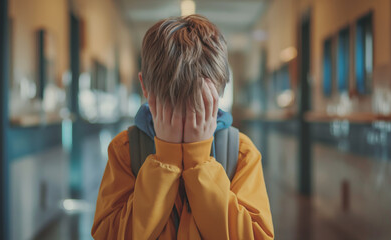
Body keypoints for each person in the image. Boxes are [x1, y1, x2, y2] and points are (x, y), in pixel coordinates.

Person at [91, 14, 274, 240]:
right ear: (145, 88)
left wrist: (199, 162)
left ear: (220, 93)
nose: (187, 119)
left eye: (201, 104)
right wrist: (165, 159)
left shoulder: (241, 153)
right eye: (173, 103)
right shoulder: (124, 150)